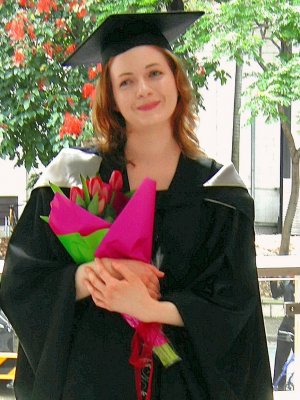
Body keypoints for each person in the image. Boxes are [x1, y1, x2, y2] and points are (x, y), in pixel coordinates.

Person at [0, 11, 273, 400]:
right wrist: (89, 276)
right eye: (126, 81)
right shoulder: (73, 177)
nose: (143, 89)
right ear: (111, 98)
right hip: (91, 385)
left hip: (185, 384)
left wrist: (150, 308)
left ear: (176, 81)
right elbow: (23, 281)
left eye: (154, 74)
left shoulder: (218, 190)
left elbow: (233, 302)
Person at [270, 280, 295, 390]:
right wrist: (273, 279)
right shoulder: (287, 284)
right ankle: (279, 386)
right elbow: (275, 294)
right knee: (280, 358)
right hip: (288, 324)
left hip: (297, 324)